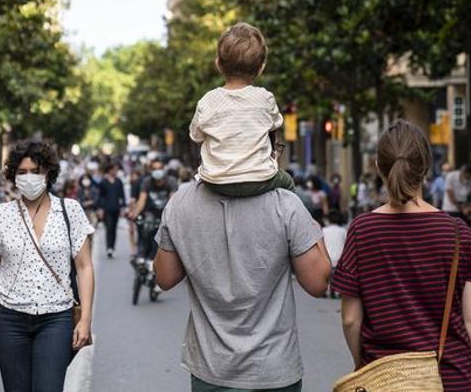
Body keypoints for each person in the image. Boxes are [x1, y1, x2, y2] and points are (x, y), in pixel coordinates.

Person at [332, 121, 471, 392]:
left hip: (387, 380)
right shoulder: (457, 233)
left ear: (378, 167)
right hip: (451, 380)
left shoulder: (362, 231)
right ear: (426, 167)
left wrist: (362, 365)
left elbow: (351, 319)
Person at [153, 156, 331, 390]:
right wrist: (315, 233)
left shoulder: (182, 202)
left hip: (212, 369)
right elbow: (318, 283)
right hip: (274, 369)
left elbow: (164, 278)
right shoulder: (285, 203)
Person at [0, 140, 95, 392]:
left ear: (48, 174)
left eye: (35, 171)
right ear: (13, 176)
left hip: (56, 319)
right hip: (10, 321)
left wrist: (85, 319)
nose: (29, 178)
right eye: (22, 172)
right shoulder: (1, 215)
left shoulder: (69, 211)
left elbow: (84, 267)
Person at [189, 22, 295, 197]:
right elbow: (276, 123)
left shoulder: (207, 101)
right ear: (261, 67)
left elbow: (196, 135)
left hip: (216, 182)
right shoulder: (265, 97)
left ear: (218, 64)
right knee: (288, 183)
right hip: (260, 179)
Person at [128, 162, 174, 263]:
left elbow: (173, 202)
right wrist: (134, 213)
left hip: (164, 215)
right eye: (154, 168)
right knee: (145, 233)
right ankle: (142, 258)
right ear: (151, 170)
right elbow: (141, 201)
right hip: (150, 214)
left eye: (159, 168)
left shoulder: (170, 182)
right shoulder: (147, 182)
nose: (157, 171)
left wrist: (172, 218)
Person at [95, 164, 126, 258]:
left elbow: (122, 195)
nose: (116, 171)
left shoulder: (119, 181)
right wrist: (100, 208)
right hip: (106, 208)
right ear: (109, 170)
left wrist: (123, 207)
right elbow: (100, 196)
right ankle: (109, 248)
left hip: (116, 208)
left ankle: (112, 247)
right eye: (114, 169)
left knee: (114, 228)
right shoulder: (103, 182)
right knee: (109, 227)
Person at [323, 210, 347, 298]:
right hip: (339, 261)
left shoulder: (324, 230)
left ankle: (326, 289)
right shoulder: (343, 231)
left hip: (327, 260)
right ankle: (339, 290)